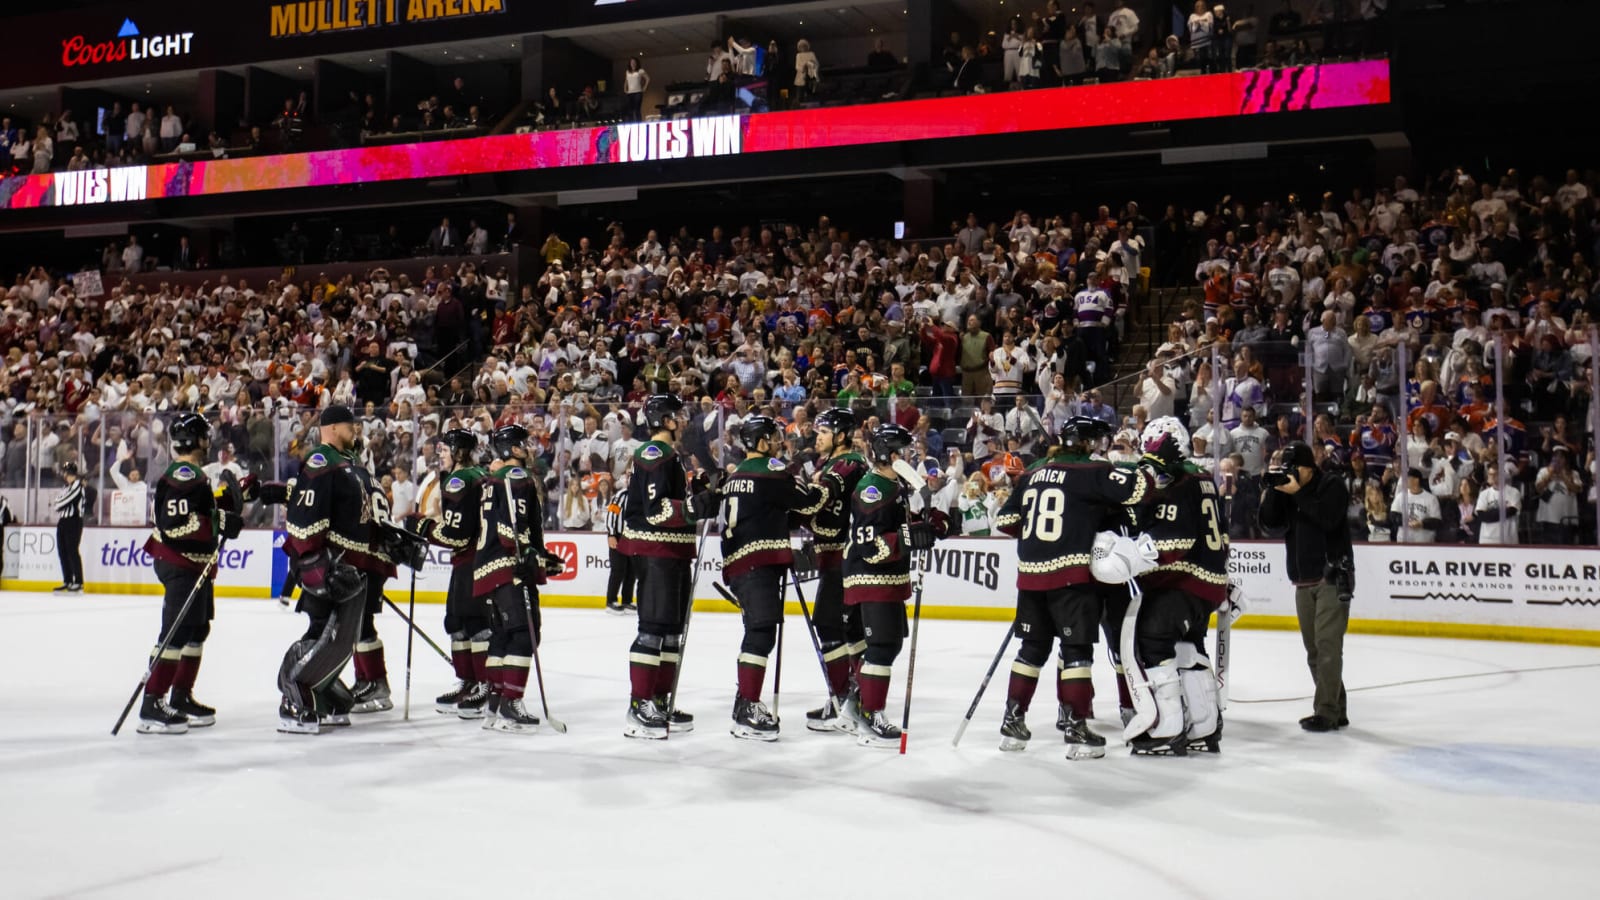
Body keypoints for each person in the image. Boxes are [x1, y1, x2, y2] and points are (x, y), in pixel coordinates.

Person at [992, 416, 1154, 758]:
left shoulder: (1034, 471)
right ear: (1088, 443)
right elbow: (1140, 489)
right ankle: (1077, 726)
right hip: (1071, 577)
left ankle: (1013, 721)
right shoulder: (1092, 471)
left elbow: (1005, 521)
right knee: (1077, 650)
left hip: (1030, 576)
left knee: (1031, 651)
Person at [1118, 417, 1230, 755]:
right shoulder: (1203, 477)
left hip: (1182, 581)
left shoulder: (1177, 482)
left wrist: (1135, 554)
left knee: (1154, 637)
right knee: (1190, 645)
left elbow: (1175, 538)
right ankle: (1204, 724)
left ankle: (1166, 727)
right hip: (1210, 582)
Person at [137, 414, 249, 733]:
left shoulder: (194, 475)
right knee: (175, 631)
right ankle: (152, 703)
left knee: (196, 630)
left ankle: (181, 696)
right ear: (198, 439)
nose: (208, 441)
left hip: (195, 564)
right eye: (205, 436)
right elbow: (176, 525)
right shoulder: (185, 474)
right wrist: (219, 522)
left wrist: (229, 499)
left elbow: (198, 508)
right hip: (180, 562)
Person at [841, 424, 950, 748]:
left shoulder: (894, 486)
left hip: (886, 578)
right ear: (888, 454)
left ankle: (854, 706)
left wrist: (926, 524)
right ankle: (871, 716)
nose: (906, 456)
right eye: (901, 451)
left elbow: (898, 525)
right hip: (870, 577)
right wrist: (910, 536)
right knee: (883, 648)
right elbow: (868, 542)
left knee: (889, 645)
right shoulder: (872, 487)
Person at [718, 415, 826, 740]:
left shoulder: (735, 476)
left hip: (739, 563)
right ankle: (748, 706)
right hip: (758, 562)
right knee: (761, 633)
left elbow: (767, 509)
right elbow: (810, 500)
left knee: (758, 631)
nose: (778, 443)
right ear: (762, 442)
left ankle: (744, 702)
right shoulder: (773, 471)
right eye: (774, 438)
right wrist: (826, 484)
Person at [618, 394, 720, 738]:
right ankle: (639, 705)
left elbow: (672, 500)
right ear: (663, 419)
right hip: (656, 552)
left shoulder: (670, 456)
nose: (683, 420)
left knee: (672, 631)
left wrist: (698, 491)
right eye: (677, 415)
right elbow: (656, 510)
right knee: (654, 627)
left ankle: (660, 701)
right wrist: (694, 507)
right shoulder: (654, 453)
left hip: (674, 553)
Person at [277, 405, 371, 734]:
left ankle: (323, 689)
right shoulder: (321, 461)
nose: (355, 430)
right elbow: (303, 520)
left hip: (352, 569)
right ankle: (296, 694)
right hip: (331, 569)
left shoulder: (347, 465)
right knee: (324, 633)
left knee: (342, 639)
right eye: (350, 425)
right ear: (331, 428)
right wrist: (313, 564)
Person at [471, 424, 565, 733]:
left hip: (486, 568)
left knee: (502, 636)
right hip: (508, 565)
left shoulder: (492, 480)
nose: (528, 447)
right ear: (511, 449)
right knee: (525, 632)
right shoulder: (515, 477)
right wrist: (526, 555)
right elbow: (510, 524)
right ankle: (511, 703)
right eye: (523, 443)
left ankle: (495, 704)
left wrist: (540, 558)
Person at [1258, 441, 1353, 733]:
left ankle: (1325, 712)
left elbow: (1327, 519)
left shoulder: (1332, 485)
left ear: (1309, 468)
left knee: (1327, 647)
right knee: (1314, 651)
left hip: (1331, 576)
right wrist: (1272, 491)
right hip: (1302, 581)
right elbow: (1268, 525)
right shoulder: (1290, 493)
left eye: (1294, 468)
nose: (1291, 474)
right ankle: (1337, 708)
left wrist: (1297, 493)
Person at [408, 428, 493, 717]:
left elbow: (457, 534)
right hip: (469, 560)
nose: (440, 455)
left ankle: (484, 685)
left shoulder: (461, 479)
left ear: (459, 452)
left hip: (472, 560)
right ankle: (469, 681)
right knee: (457, 620)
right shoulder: (477, 476)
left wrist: (424, 528)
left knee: (473, 621)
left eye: (445, 450)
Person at [802, 407, 872, 732]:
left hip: (844, 560)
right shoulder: (832, 464)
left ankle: (846, 699)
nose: (818, 437)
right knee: (847, 631)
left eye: (824, 432)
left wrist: (780, 492)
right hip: (836, 559)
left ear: (841, 436)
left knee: (831, 627)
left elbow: (819, 498)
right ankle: (853, 699)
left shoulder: (849, 463)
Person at [52, 461, 87, 592]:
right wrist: (59, 503)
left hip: (73, 521)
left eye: (67, 473)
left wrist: (59, 503)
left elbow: (61, 503)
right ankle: (67, 580)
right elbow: (57, 503)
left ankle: (78, 581)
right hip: (63, 521)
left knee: (72, 551)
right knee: (63, 551)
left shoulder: (78, 486)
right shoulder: (66, 487)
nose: (65, 475)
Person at [603, 485, 636, 614]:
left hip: (634, 537)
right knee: (618, 569)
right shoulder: (622, 495)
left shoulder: (642, 495)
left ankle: (627, 600)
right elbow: (612, 513)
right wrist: (611, 534)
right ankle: (611, 601)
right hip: (619, 536)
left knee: (631, 570)